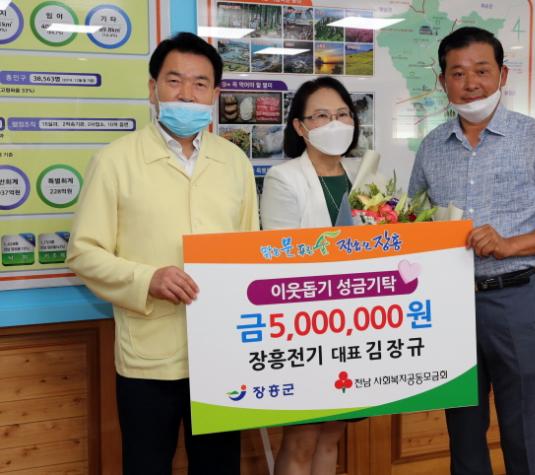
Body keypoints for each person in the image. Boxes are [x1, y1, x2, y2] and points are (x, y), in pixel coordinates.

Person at [67, 32, 259, 474]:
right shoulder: (115, 160)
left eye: (200, 83)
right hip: (148, 358)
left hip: (221, 354)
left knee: (218, 466)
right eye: (174, 81)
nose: (186, 94)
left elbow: (249, 249)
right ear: (153, 88)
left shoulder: (234, 162)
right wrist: (146, 279)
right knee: (146, 465)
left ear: (215, 94)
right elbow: (83, 252)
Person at [408, 27, 535, 475]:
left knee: (522, 429)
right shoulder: (431, 147)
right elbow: (413, 222)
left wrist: (509, 245)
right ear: (442, 81)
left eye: (482, 71)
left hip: (516, 299)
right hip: (449, 305)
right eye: (457, 73)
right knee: (463, 429)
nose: (470, 83)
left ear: (503, 75)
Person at [260, 76, 363, 473]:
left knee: (333, 433)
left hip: (356, 323)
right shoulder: (284, 178)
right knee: (302, 438)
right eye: (321, 116)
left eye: (342, 114)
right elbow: (281, 257)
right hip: (306, 324)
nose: (334, 123)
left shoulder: (365, 172)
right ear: (300, 127)